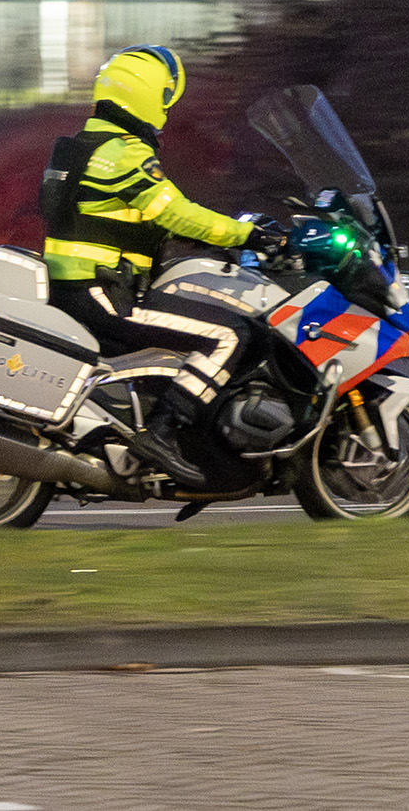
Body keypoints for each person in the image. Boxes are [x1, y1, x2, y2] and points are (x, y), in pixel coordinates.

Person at [40, 45, 285, 487]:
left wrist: (192, 236)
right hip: (104, 295)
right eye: (166, 100)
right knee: (232, 333)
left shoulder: (78, 148)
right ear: (148, 95)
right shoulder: (123, 153)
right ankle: (164, 433)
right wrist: (245, 234)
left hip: (74, 290)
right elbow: (175, 211)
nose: (167, 114)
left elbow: (121, 218)